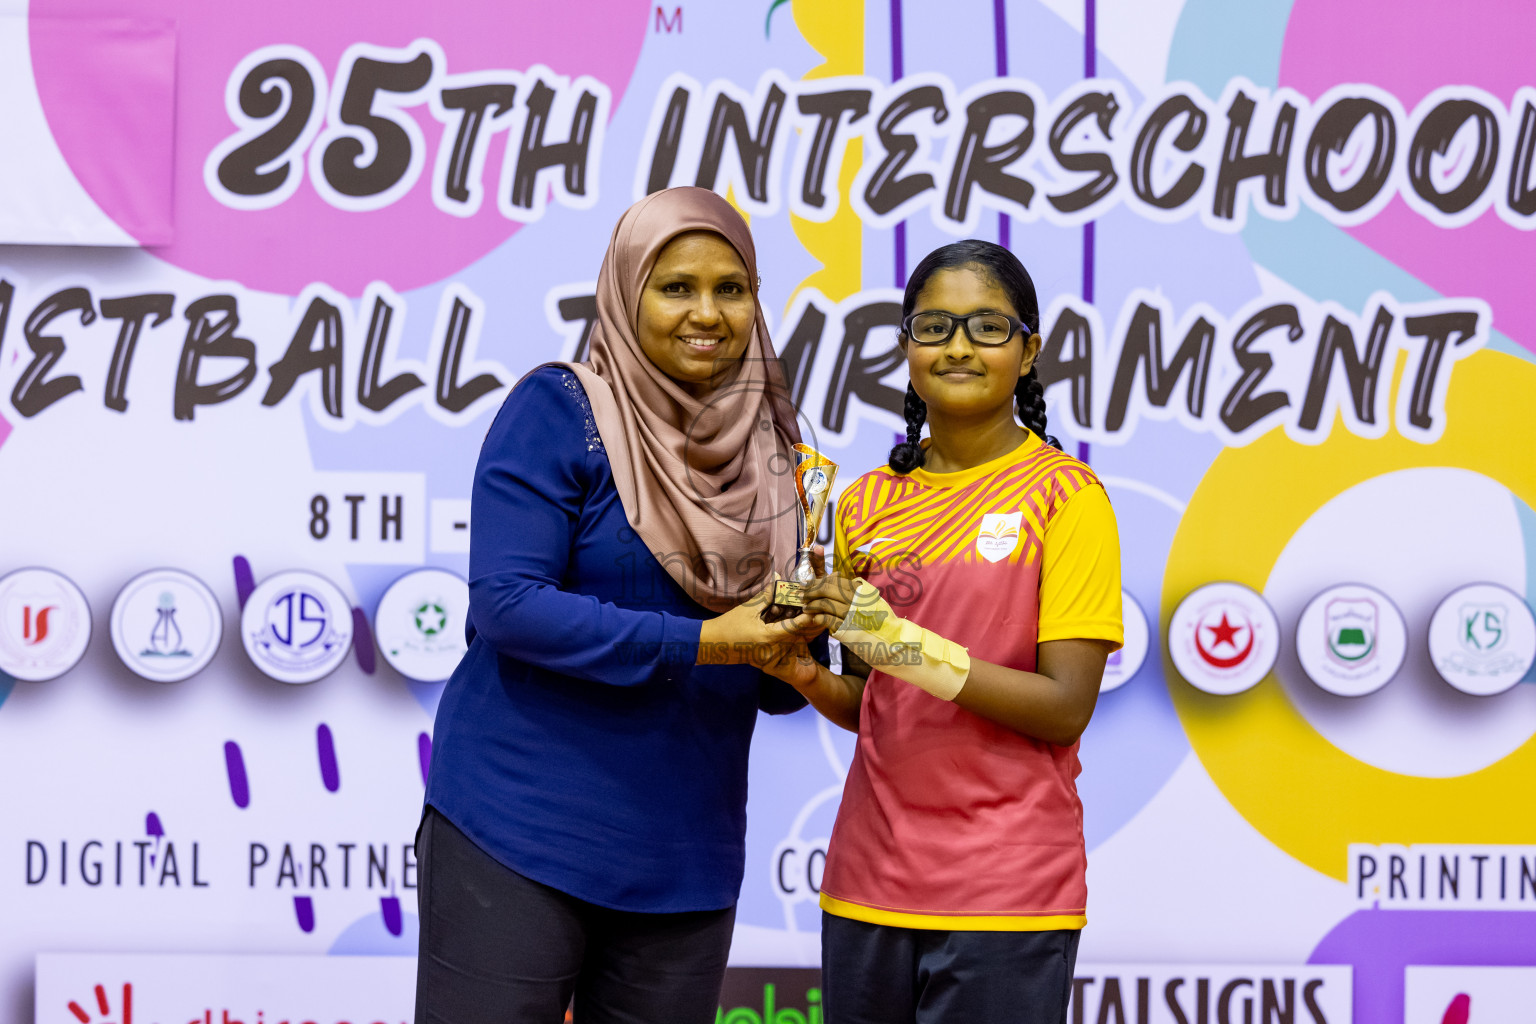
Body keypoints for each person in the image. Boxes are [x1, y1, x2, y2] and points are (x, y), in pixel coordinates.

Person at [416, 187, 817, 1024]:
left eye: (731, 288)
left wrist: (819, 633)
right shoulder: (561, 410)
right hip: (519, 830)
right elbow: (508, 604)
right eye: (675, 287)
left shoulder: (775, 454)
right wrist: (709, 641)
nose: (706, 312)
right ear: (626, 290)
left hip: (686, 856)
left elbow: (775, 684)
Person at [764, 239, 1124, 1023]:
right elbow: (878, 703)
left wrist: (901, 643)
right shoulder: (862, 502)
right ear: (906, 349)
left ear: (1029, 351)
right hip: (868, 883)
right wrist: (803, 672)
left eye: (988, 327)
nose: (959, 346)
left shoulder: (1068, 497)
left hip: (1005, 893)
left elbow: (1065, 705)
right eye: (935, 327)